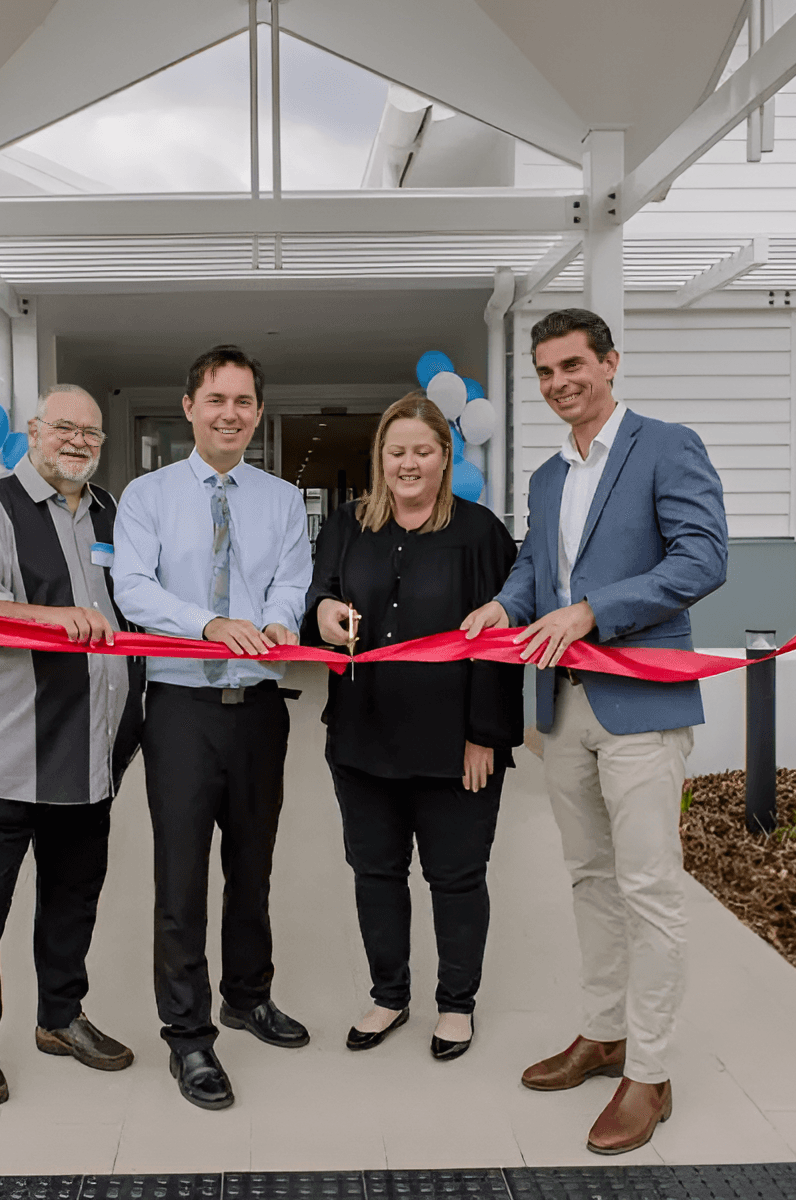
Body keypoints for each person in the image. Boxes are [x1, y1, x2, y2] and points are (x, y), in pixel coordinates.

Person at [462, 309, 727, 1154]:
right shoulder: (546, 476)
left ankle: (649, 1073)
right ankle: (603, 1032)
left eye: (572, 365)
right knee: (588, 878)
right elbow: (539, 565)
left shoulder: (666, 445)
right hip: (563, 709)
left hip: (641, 703)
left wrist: (593, 612)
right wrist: (507, 605)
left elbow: (703, 558)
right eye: (544, 372)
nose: (558, 383)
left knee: (649, 887)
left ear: (611, 363)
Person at [0, 383, 142, 1107]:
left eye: (92, 433)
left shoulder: (111, 513)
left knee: (72, 900)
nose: (78, 441)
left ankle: (60, 1017)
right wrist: (51, 618)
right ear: (33, 430)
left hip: (86, 755)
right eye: (65, 428)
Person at [112, 344, 312, 1111]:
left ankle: (247, 996)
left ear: (258, 414)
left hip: (260, 711)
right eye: (216, 400)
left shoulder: (281, 500)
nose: (230, 414)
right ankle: (188, 1037)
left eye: (243, 402)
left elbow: (291, 580)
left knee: (253, 869)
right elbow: (133, 590)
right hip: (183, 711)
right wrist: (211, 625)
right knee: (182, 878)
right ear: (190, 406)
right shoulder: (148, 496)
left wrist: (271, 621)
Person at [306, 393, 521, 1062]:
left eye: (422, 452)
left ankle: (456, 1005)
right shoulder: (347, 525)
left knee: (456, 877)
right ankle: (389, 995)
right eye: (396, 451)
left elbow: (498, 640)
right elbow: (319, 593)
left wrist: (485, 733)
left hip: (455, 744)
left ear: (445, 458)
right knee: (376, 872)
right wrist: (325, 613)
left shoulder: (481, 533)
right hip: (363, 736)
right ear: (380, 458)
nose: (408, 463)